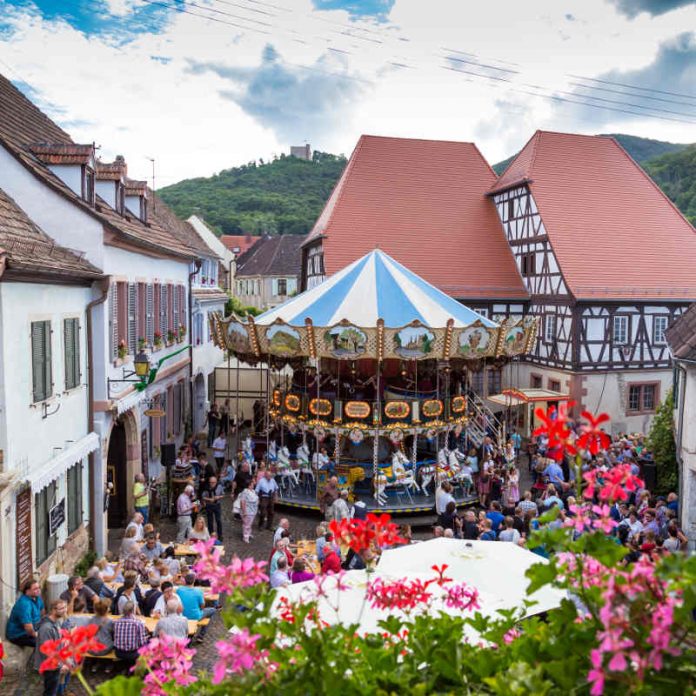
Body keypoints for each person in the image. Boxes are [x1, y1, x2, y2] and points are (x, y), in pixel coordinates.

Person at [34, 599, 68, 696]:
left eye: (65, 607)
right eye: (61, 608)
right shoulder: (46, 628)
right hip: (50, 666)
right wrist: (61, 665)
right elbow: (47, 651)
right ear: (53, 610)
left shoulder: (56, 622)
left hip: (56, 663)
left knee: (53, 689)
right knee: (50, 692)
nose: (65, 610)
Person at [6, 579, 45, 648]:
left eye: (39, 588)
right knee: (43, 642)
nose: (38, 590)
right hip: (19, 634)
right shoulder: (24, 604)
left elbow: (42, 612)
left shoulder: (37, 597)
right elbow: (28, 628)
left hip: (34, 626)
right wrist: (37, 635)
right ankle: (40, 658)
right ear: (27, 591)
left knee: (51, 632)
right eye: (35, 589)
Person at [177, 573, 215, 639]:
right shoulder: (198, 591)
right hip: (195, 616)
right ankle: (201, 635)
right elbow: (202, 606)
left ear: (185, 581)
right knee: (212, 610)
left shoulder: (179, 590)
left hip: (181, 615)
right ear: (194, 581)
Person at [202, 476, 225, 541]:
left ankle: (220, 535)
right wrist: (209, 499)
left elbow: (223, 495)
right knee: (210, 521)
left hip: (217, 505)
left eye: (213, 482)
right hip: (209, 505)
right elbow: (203, 497)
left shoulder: (219, 487)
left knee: (218, 520)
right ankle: (211, 535)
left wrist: (218, 497)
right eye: (211, 482)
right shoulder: (206, 487)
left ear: (216, 482)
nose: (212, 484)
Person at [239, 478, 259, 543]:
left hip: (253, 511)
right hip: (247, 511)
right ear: (249, 485)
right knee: (246, 524)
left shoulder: (253, 491)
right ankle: (245, 537)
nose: (253, 485)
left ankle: (249, 533)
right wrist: (244, 511)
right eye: (252, 484)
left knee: (250, 524)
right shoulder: (245, 492)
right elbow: (242, 501)